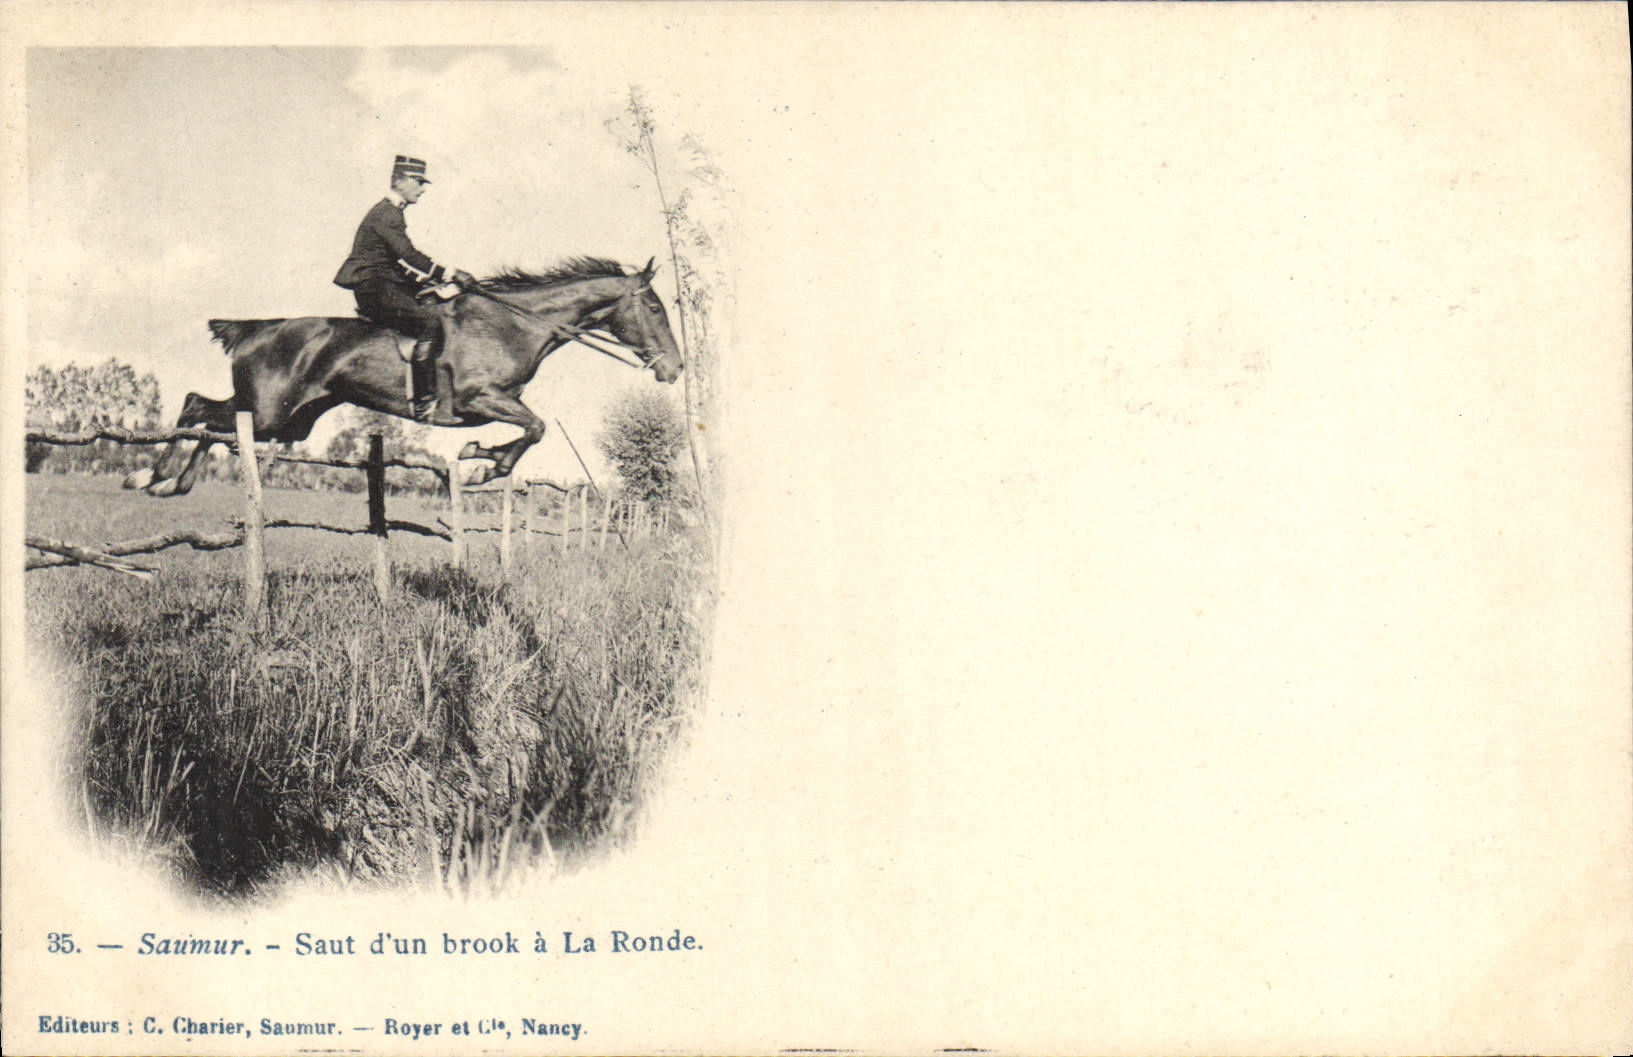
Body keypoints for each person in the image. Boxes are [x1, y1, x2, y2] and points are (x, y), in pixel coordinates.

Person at [334, 155, 475, 424]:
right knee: (430, 323)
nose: (422, 189)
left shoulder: (391, 212)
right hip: (376, 290)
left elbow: (393, 262)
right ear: (400, 181)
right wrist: (450, 273)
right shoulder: (386, 213)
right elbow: (407, 254)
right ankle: (424, 402)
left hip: (384, 285)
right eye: (419, 182)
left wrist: (426, 282)